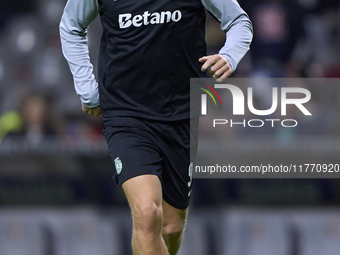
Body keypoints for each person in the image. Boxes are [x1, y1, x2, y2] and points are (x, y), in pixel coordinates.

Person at [60, 0, 252, 254]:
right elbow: (71, 26)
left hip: (182, 111)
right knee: (148, 214)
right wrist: (88, 90)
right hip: (126, 112)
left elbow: (240, 21)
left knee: (171, 227)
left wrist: (229, 55)